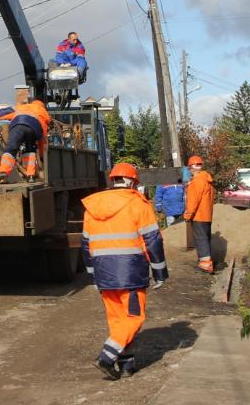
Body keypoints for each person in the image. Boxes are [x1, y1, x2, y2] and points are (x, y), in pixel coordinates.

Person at [81, 163, 168, 380]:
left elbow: (85, 244)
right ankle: (106, 357)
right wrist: (160, 272)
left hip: (104, 273)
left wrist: (92, 274)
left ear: (114, 180)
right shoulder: (138, 204)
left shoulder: (93, 205)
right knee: (134, 319)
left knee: (118, 321)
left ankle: (127, 365)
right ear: (131, 182)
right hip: (130, 273)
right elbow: (153, 241)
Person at [0, 99, 51, 184]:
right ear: (43, 107)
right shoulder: (44, 113)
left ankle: (3, 172)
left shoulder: (23, 107)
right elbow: (42, 138)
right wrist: (41, 156)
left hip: (18, 124)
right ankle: (31, 176)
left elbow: (6, 112)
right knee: (30, 150)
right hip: (34, 129)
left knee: (11, 148)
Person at [183, 155, 216, 274]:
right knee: (205, 238)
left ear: (191, 168)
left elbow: (193, 201)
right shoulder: (207, 180)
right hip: (207, 215)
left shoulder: (197, 181)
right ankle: (207, 261)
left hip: (198, 216)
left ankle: (206, 264)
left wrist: (188, 215)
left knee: (201, 239)